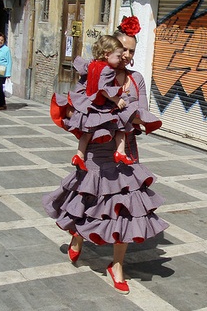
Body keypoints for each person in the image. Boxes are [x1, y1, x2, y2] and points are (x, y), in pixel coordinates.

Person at [43, 16, 166, 294]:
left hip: (125, 154)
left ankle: (117, 264)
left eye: (132, 50)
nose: (128, 55)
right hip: (96, 152)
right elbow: (77, 105)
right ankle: (77, 235)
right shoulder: (95, 73)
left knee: (125, 207)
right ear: (111, 47)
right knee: (88, 198)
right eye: (124, 48)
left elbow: (141, 115)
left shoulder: (136, 81)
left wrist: (126, 116)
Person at [70, 35, 138, 172]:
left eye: (132, 51)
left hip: (90, 105)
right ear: (107, 54)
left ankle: (79, 155)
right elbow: (103, 89)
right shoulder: (107, 70)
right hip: (101, 105)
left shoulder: (92, 64)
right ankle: (120, 152)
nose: (124, 56)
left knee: (86, 133)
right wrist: (117, 99)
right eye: (120, 53)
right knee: (121, 125)